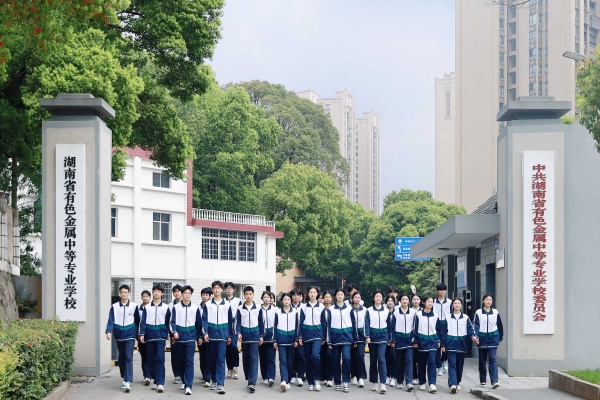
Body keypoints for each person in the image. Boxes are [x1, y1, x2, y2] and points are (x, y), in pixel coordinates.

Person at [105, 284, 140, 393]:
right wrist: (108, 331)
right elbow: (111, 320)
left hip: (130, 334)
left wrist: (139, 333)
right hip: (119, 334)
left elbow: (138, 320)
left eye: (126, 292)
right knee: (122, 357)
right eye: (122, 292)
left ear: (128, 293)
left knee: (129, 357)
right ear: (120, 293)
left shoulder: (134, 306)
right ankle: (124, 376)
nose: (124, 294)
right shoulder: (114, 307)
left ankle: (127, 380)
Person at [202, 280, 234, 394]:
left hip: (222, 336)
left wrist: (230, 335)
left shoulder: (227, 305)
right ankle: (214, 380)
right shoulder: (208, 304)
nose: (216, 290)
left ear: (222, 290)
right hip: (211, 336)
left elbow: (230, 321)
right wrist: (205, 333)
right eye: (214, 288)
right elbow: (204, 320)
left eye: (218, 288)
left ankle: (220, 383)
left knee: (220, 360)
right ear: (212, 290)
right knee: (212, 359)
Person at [171, 285, 203, 395]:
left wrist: (199, 337)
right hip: (179, 338)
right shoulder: (176, 307)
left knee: (189, 362)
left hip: (190, 338)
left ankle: (188, 385)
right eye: (185, 293)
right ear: (182, 294)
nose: (187, 295)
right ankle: (184, 381)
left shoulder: (195, 308)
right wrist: (174, 332)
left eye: (189, 293)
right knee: (180, 362)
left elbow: (199, 324)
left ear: (191, 295)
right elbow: (172, 322)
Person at [139, 284, 171, 393]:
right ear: (152, 292)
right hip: (150, 336)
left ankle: (160, 382)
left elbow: (168, 322)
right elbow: (142, 322)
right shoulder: (147, 308)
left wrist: (168, 334)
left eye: (159, 291)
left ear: (162, 294)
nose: (156, 293)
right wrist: (142, 334)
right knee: (151, 359)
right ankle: (155, 379)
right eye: (155, 291)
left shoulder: (166, 307)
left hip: (161, 336)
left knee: (160, 359)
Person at [326, 288, 357, 393]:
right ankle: (338, 382)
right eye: (338, 294)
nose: (340, 296)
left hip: (347, 338)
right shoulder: (331, 309)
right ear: (335, 296)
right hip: (335, 339)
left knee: (347, 359)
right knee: (335, 361)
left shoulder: (349, 309)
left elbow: (354, 324)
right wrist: (329, 340)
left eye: (341, 294)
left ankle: (346, 382)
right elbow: (328, 326)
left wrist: (355, 339)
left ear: (344, 296)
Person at [413, 295, 443, 394]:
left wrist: (438, 340)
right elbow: (415, 329)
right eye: (428, 301)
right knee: (421, 363)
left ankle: (432, 384)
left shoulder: (435, 315)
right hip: (421, 342)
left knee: (432, 362)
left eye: (432, 302)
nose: (430, 303)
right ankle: (422, 381)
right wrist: (416, 341)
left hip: (433, 342)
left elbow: (438, 330)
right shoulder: (418, 315)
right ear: (424, 303)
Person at [446, 298, 477, 394]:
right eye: (455, 303)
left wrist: (473, 336)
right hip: (450, 343)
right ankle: (452, 384)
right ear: (452, 305)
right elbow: (443, 331)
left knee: (459, 365)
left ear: (461, 305)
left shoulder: (466, 317)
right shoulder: (448, 317)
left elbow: (470, 329)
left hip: (462, 344)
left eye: (459, 303)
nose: (457, 305)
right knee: (452, 365)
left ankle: (457, 382)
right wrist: (443, 343)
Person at [236, 285, 264, 393]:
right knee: (246, 359)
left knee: (253, 359)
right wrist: (238, 333)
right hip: (244, 336)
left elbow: (261, 323)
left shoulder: (258, 308)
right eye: (246, 294)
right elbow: (238, 323)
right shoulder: (240, 308)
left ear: (253, 295)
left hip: (255, 335)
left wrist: (261, 335)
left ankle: (252, 382)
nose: (248, 296)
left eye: (250, 294)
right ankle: (249, 377)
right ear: (244, 295)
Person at [298, 286, 327, 391]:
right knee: (308, 359)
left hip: (318, 335)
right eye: (310, 292)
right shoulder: (304, 307)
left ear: (317, 294)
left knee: (315, 356)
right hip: (306, 334)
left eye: (314, 292)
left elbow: (324, 323)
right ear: (307, 294)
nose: (312, 294)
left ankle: (317, 379)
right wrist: (300, 335)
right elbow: (300, 323)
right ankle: (310, 382)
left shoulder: (322, 307)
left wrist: (323, 336)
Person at [474, 293, 503, 389]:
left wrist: (500, 336)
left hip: (493, 338)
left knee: (493, 359)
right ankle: (483, 380)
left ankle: (494, 381)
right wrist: (476, 336)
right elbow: (476, 326)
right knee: (482, 361)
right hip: (482, 339)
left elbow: (499, 325)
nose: (488, 301)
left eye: (490, 300)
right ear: (483, 301)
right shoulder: (478, 312)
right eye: (487, 299)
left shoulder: (495, 312)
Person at [390, 293, 416, 392]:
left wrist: (414, 339)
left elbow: (415, 326)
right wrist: (393, 340)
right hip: (399, 339)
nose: (405, 301)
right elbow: (392, 327)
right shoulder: (396, 312)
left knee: (409, 361)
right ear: (400, 301)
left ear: (409, 301)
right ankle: (400, 381)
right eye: (403, 299)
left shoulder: (413, 312)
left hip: (409, 339)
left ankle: (409, 382)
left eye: (406, 299)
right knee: (399, 362)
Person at [366, 290, 390, 394]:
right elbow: (366, 324)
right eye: (377, 296)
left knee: (381, 359)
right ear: (374, 298)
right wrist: (367, 336)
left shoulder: (386, 311)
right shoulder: (369, 310)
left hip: (383, 337)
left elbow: (390, 325)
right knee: (373, 360)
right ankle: (375, 382)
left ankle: (383, 383)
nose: (378, 298)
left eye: (380, 296)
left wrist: (389, 338)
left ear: (382, 298)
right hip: (372, 337)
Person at [274, 292, 298, 392]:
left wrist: (296, 339)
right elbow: (275, 327)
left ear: (290, 300)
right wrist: (275, 340)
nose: (287, 301)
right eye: (285, 299)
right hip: (281, 340)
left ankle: (287, 381)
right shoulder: (278, 312)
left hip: (292, 340)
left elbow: (297, 326)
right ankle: (283, 381)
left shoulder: (295, 312)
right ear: (282, 301)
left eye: (288, 299)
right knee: (282, 361)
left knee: (289, 362)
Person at [224, 282, 242, 380]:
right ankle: (229, 369)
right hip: (225, 328)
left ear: (234, 290)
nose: (229, 290)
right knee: (227, 348)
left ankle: (235, 368)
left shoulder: (238, 301)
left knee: (234, 347)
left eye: (230, 288)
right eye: (227, 288)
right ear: (225, 290)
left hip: (234, 328)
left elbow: (240, 315)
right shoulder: (222, 301)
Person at [259, 291, 277, 386]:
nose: (266, 299)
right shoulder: (258, 309)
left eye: (268, 297)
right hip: (261, 336)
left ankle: (271, 377)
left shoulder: (275, 310)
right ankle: (265, 377)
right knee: (262, 357)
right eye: (265, 297)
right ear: (262, 298)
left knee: (271, 357)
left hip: (272, 336)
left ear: (271, 299)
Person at [433, 283, 451, 376]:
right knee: (437, 345)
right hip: (436, 324)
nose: (442, 292)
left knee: (446, 344)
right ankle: (439, 365)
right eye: (440, 290)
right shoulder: (433, 301)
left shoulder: (449, 302)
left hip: (446, 324)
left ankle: (444, 360)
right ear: (437, 291)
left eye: (443, 290)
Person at [350, 291, 367, 388]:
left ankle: (361, 377)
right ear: (352, 299)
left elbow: (366, 323)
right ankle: (353, 375)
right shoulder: (348, 309)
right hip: (351, 335)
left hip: (361, 336)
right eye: (355, 297)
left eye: (358, 297)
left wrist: (366, 336)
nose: (357, 299)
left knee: (360, 356)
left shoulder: (365, 310)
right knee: (352, 356)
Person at [168, 284, 184, 384]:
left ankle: (184, 374)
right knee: (175, 355)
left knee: (184, 355)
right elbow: (169, 321)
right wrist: (171, 334)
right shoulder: (170, 306)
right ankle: (177, 375)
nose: (177, 293)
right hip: (173, 333)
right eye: (175, 291)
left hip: (185, 332)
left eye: (179, 291)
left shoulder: (186, 303)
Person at [290, 288, 305, 386]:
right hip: (290, 335)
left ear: (301, 297)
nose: (296, 297)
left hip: (301, 335)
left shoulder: (304, 307)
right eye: (294, 295)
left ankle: (300, 375)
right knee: (291, 355)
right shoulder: (287, 306)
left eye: (298, 295)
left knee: (301, 355)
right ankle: (292, 375)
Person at [198, 287, 213, 387]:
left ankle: (208, 377)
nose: (205, 296)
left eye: (207, 295)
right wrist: (199, 336)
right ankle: (204, 375)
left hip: (210, 335)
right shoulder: (197, 307)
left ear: (210, 296)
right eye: (203, 295)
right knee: (202, 356)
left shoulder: (212, 306)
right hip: (200, 336)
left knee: (208, 356)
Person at [321, 291, 334, 387]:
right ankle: (324, 377)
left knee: (330, 356)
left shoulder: (334, 309)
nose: (328, 299)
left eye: (329, 297)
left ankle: (330, 377)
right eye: (326, 297)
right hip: (322, 337)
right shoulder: (321, 309)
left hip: (332, 337)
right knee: (322, 357)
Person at [138, 290, 151, 385]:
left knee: (151, 356)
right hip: (141, 336)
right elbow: (136, 322)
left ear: (149, 297)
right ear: (142, 297)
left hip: (151, 335)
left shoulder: (152, 308)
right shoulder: (138, 309)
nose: (145, 298)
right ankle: (146, 375)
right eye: (144, 296)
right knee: (144, 356)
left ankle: (150, 375)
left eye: (147, 296)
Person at [384, 294, 397, 388]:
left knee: (393, 357)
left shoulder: (397, 312)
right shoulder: (384, 312)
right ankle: (387, 376)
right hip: (385, 339)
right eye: (388, 301)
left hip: (395, 340)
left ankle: (393, 377)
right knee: (386, 358)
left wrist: (394, 340)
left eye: (392, 301)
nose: (390, 302)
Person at [410, 294, 422, 385]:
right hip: (410, 337)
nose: (416, 301)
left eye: (417, 299)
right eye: (414, 299)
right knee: (412, 359)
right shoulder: (409, 311)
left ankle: (420, 377)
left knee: (420, 359)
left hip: (421, 338)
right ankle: (414, 376)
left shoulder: (423, 311)